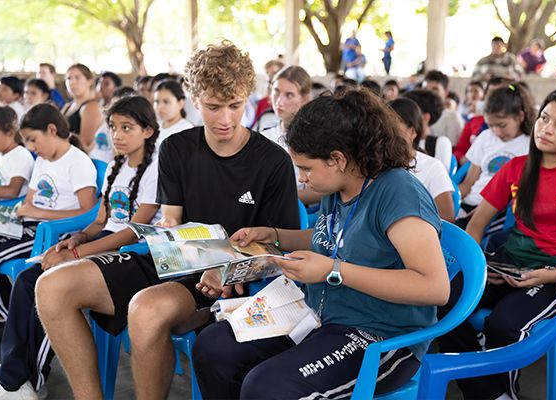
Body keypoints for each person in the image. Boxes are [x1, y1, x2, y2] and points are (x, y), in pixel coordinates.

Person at [35, 41, 300, 399]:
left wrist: (232, 270)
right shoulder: (177, 148)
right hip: (175, 259)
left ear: (247, 100)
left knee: (145, 310)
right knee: (51, 286)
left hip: (223, 278)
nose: (225, 119)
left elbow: (281, 245)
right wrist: (162, 231)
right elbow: (172, 219)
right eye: (213, 107)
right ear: (194, 98)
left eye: (235, 105)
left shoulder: (272, 160)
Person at [192, 88, 450, 399]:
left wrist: (332, 270)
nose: (302, 179)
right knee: (213, 348)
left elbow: (434, 287)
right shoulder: (340, 185)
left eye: (306, 168)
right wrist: (274, 235)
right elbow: (334, 236)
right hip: (320, 314)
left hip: (379, 335)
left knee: (267, 388)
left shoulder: (398, 192)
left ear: (338, 159)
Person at [0, 96, 161, 400]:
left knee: (47, 285)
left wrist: (75, 255)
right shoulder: (115, 167)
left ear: (148, 131)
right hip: (101, 246)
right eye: (113, 127)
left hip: (128, 254)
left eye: (127, 127)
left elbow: (131, 233)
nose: (117, 135)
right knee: (27, 280)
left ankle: (28, 381)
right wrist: (78, 239)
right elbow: (100, 221)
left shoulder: (155, 170)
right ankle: (15, 380)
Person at [437, 88, 556, 400]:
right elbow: (476, 224)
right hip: (510, 262)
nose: (546, 129)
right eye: (545, 119)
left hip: (554, 274)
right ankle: (488, 391)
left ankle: (499, 392)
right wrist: (479, 266)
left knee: (504, 325)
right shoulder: (517, 167)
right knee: (444, 299)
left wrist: (550, 276)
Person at [0, 103, 97, 363]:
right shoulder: (44, 160)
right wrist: (21, 211)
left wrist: (35, 211)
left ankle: (2, 321)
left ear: (52, 130)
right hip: (27, 223)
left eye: (33, 140)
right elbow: (30, 201)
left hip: (52, 232)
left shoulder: (78, 162)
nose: (32, 148)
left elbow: (87, 213)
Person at [457, 84, 535, 228]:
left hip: (501, 210)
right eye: (491, 125)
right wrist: (452, 201)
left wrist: (482, 212)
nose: (496, 132)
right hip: (470, 202)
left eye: (502, 125)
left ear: (520, 116)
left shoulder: (530, 144)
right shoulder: (486, 137)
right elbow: (468, 183)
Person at [259, 66, 318, 206]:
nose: (279, 101)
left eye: (289, 95)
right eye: (276, 92)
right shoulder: (263, 136)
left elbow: (323, 191)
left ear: (306, 99)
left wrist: (279, 198)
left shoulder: (318, 137)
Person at [390, 97, 455, 222]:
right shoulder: (375, 163)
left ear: (412, 132)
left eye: (394, 130)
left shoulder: (432, 167)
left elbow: (447, 218)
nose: (387, 137)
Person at [403, 89, 453, 173]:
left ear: (425, 118)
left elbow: (440, 176)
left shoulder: (440, 143)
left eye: (407, 114)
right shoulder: (400, 141)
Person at [61, 63, 104, 152]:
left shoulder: (91, 107)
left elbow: (85, 144)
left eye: (77, 78)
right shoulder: (67, 106)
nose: (72, 82)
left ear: (89, 81)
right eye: (69, 78)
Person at [422, 70, 464, 145]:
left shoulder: (452, 117)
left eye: (435, 89)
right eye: (426, 89)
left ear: (445, 93)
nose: (429, 93)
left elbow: (455, 148)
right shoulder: (418, 114)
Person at [153, 79, 193, 149]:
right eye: (157, 102)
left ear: (181, 103)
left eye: (166, 102)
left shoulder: (187, 130)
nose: (159, 107)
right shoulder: (155, 127)